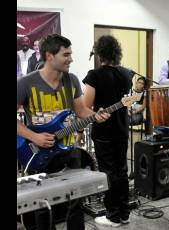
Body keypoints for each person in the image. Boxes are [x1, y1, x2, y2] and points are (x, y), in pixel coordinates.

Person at [17, 34, 110, 230]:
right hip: (38, 152)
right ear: (50, 56)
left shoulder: (72, 80)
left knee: (76, 202)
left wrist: (96, 114)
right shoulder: (26, 83)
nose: (71, 59)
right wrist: (34, 137)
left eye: (71, 54)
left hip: (69, 149)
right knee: (43, 205)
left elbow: (80, 111)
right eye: (65, 54)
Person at [82, 35, 132, 228]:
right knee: (122, 171)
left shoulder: (94, 75)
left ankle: (113, 216)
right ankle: (124, 213)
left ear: (99, 53)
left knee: (108, 173)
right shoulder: (127, 74)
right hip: (121, 130)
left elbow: (86, 107)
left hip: (103, 133)